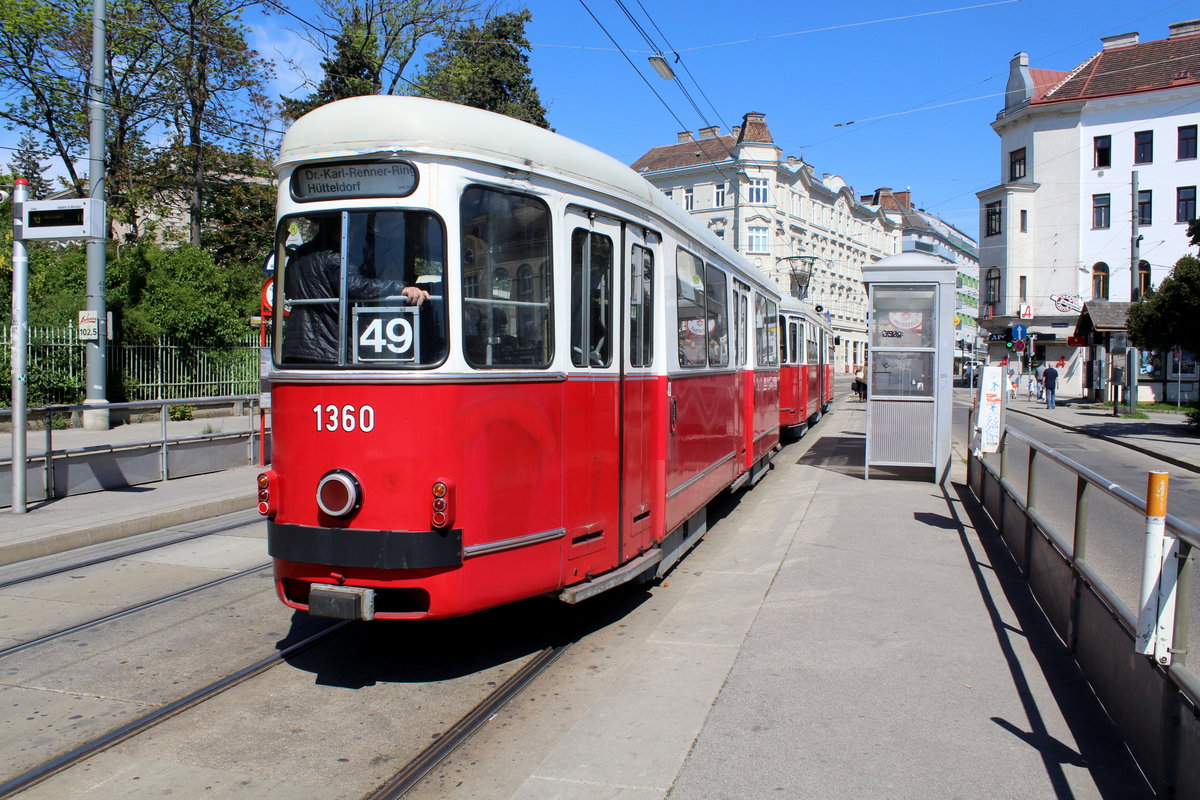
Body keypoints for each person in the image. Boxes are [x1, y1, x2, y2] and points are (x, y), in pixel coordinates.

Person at [282, 216, 430, 364]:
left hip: (294, 347)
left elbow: (288, 289)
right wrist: (400, 288)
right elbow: (356, 286)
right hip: (328, 348)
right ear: (346, 231)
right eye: (357, 232)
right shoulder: (334, 256)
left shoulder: (298, 254)